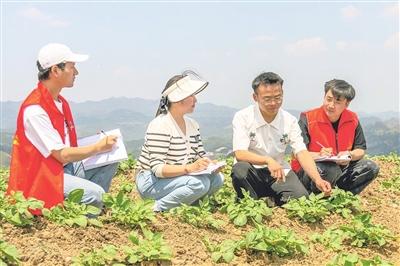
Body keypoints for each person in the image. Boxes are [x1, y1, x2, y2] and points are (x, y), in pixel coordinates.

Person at [7, 43, 118, 213]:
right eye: (72, 67)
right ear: (55, 71)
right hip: (43, 177)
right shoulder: (35, 110)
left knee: (110, 159)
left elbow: (65, 147)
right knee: (96, 194)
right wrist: (97, 147)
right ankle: (81, 217)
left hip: (64, 169)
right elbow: (61, 154)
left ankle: (84, 208)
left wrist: (97, 145)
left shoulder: (59, 102)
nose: (76, 72)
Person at [231, 72, 331, 205]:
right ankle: (251, 202)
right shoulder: (243, 117)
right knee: (240, 169)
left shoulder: (289, 120)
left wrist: (318, 179)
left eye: (278, 98)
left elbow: (301, 152)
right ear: (255, 97)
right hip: (253, 172)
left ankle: (272, 201)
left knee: (300, 199)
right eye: (267, 99)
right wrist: (267, 160)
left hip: (280, 173)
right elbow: (240, 153)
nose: (273, 103)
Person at [135, 70, 224, 211]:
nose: (196, 100)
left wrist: (209, 164)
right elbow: (157, 169)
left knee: (217, 180)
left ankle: (183, 205)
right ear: (178, 99)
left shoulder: (192, 125)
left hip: (176, 178)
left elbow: (199, 154)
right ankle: (156, 208)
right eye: (191, 96)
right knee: (198, 184)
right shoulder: (160, 125)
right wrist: (189, 168)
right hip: (152, 182)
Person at [291, 79, 379, 194]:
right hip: (310, 171)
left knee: (371, 167)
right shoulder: (308, 118)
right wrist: (319, 155)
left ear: (346, 104)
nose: (331, 105)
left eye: (337, 102)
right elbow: (297, 153)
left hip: (339, 169)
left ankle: (339, 196)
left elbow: (360, 149)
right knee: (329, 169)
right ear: (324, 96)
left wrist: (349, 155)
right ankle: (315, 198)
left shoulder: (352, 119)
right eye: (328, 99)